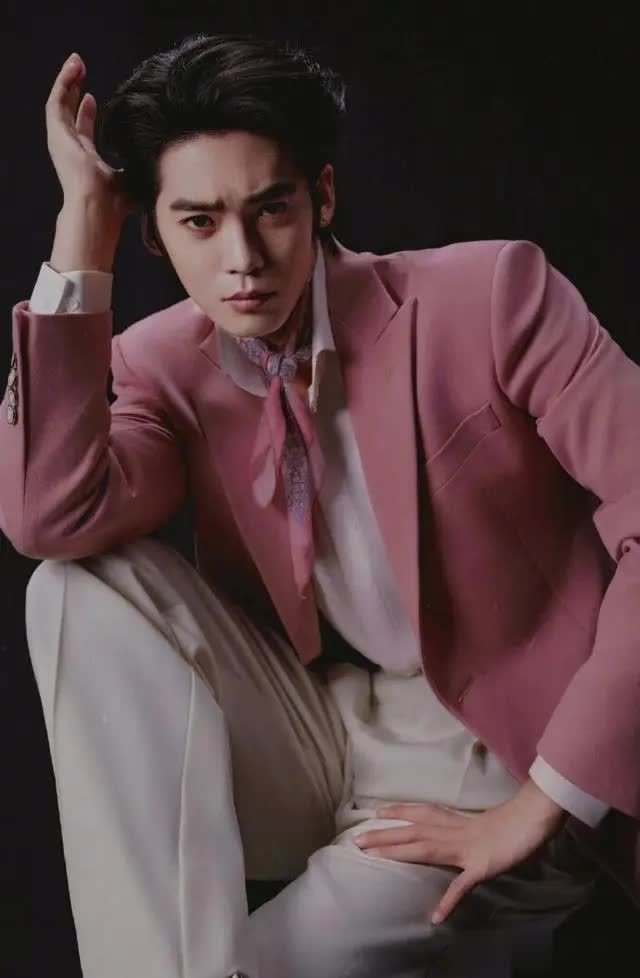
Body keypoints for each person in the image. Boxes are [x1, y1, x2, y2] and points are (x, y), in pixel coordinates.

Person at [1, 31, 638, 978]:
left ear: (322, 197)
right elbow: (48, 516)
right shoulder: (163, 365)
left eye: (272, 210)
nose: (243, 259)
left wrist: (545, 801)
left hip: (503, 756)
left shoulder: (489, 297)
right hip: (324, 731)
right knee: (70, 589)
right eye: (199, 222)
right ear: (154, 234)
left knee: (258, 967)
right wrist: (81, 232)